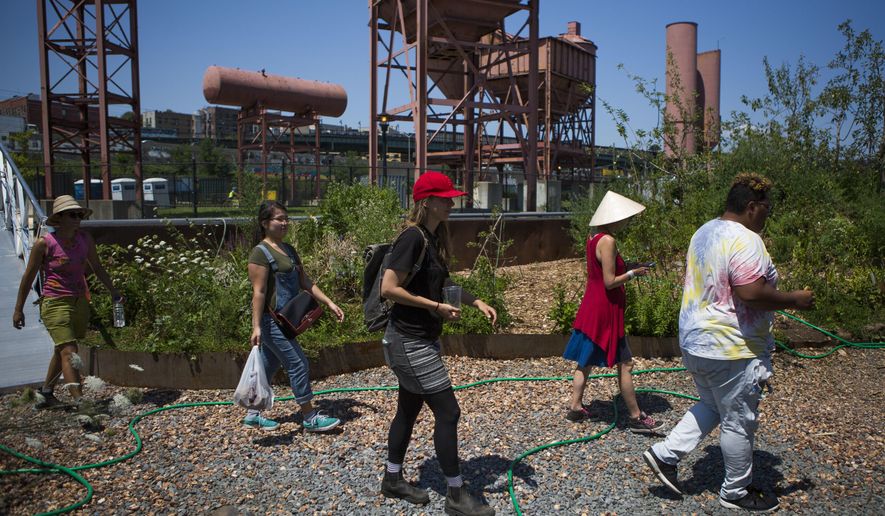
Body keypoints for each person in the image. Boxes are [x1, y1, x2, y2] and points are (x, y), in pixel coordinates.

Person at [642, 173, 815, 512]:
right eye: (766, 208)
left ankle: (664, 455)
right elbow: (750, 292)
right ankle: (735, 492)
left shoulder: (704, 231)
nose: (768, 214)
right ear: (751, 207)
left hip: (695, 342)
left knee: (711, 405)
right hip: (730, 348)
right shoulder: (746, 239)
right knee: (739, 419)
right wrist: (795, 299)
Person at [379, 171, 498, 515]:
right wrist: (435, 307)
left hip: (418, 340)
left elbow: (443, 282)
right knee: (448, 411)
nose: (451, 202)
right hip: (408, 342)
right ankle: (457, 495)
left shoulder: (432, 238)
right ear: (427, 202)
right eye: (445, 197)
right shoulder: (412, 239)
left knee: (408, 408)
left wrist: (476, 301)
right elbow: (389, 288)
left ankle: (392, 479)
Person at [563, 191, 664, 433]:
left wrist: (627, 266)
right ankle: (635, 416)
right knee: (626, 363)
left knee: (585, 359)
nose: (626, 222)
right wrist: (633, 274)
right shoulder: (608, 241)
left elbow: (601, 271)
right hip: (605, 309)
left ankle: (575, 407)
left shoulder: (593, 237)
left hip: (593, 305)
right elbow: (609, 281)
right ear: (615, 218)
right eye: (625, 218)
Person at [12, 195, 121, 408]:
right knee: (70, 351)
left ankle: (45, 394)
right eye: (72, 214)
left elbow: (97, 267)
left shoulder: (85, 239)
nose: (78, 218)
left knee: (62, 349)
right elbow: (28, 277)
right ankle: (81, 402)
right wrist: (18, 309)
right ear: (59, 218)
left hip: (79, 302)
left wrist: (113, 291)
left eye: (80, 214)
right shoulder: (44, 244)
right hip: (55, 302)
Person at [245, 200, 344, 432]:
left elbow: (305, 282)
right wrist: (256, 326)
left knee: (269, 364)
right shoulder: (260, 253)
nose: (284, 223)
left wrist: (329, 302)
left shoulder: (288, 250)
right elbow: (258, 292)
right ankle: (309, 416)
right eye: (279, 219)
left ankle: (252, 413)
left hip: (286, 321)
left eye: (286, 218)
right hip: (271, 322)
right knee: (298, 363)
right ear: (264, 223)